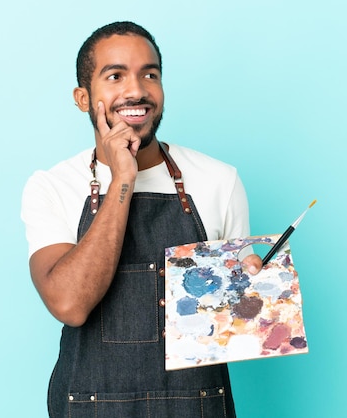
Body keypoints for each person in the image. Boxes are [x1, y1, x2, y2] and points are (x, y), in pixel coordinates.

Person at [21, 21, 262, 417]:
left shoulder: (220, 180)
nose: (136, 90)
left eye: (150, 74)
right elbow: (69, 303)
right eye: (115, 76)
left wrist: (252, 291)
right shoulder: (52, 186)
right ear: (83, 98)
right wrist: (124, 178)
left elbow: (229, 329)